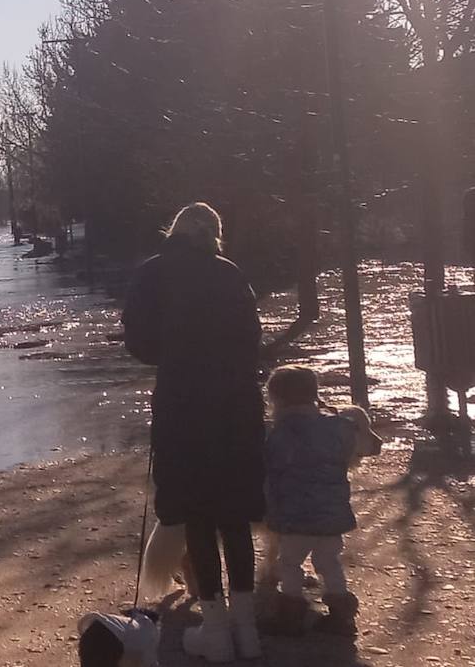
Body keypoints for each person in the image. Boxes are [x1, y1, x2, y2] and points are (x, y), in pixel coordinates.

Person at [123, 202, 265, 663]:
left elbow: (139, 342)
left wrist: (174, 354)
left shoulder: (153, 273)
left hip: (184, 404)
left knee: (198, 515)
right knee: (235, 512)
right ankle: (248, 631)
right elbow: (252, 337)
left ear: (176, 232)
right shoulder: (231, 273)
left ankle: (216, 630)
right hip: (238, 404)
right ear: (215, 235)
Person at [264, 365, 371, 636]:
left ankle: (290, 612)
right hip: (331, 516)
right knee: (329, 562)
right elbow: (349, 450)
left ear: (276, 399)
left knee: (289, 564)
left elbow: (269, 470)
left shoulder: (278, 434)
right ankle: (341, 614)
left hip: (294, 517)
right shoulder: (338, 428)